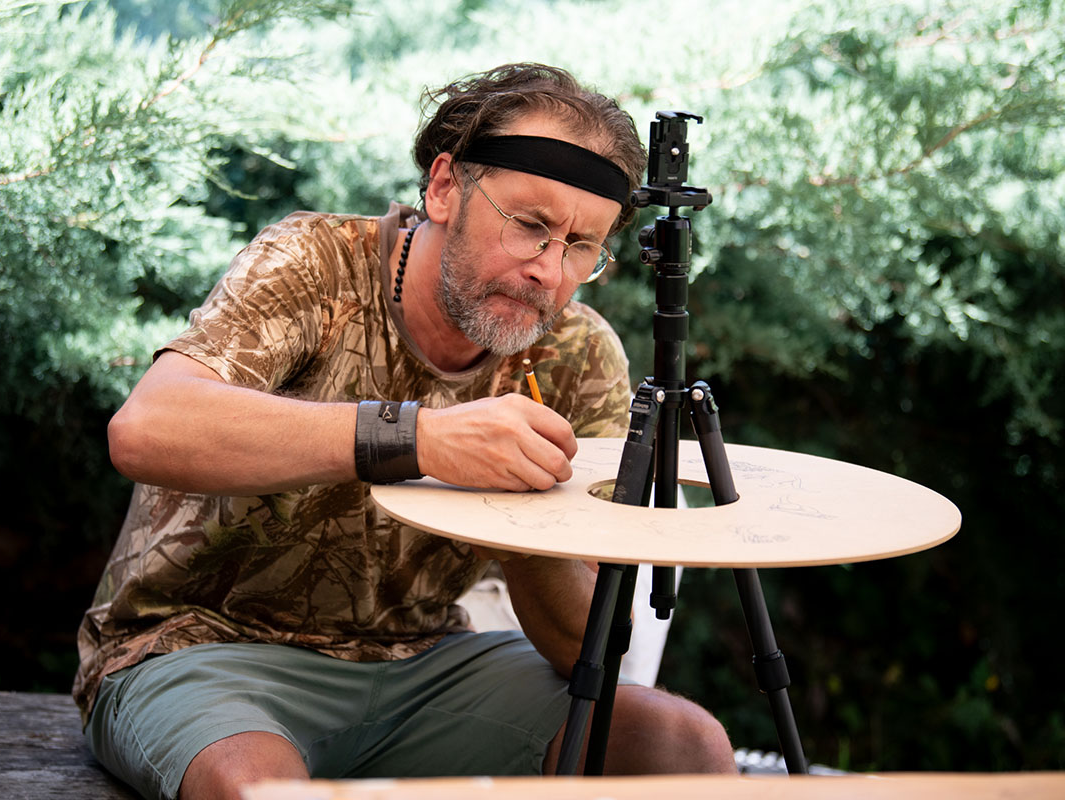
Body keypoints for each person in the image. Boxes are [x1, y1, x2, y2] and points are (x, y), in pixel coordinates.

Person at [74, 63, 735, 800]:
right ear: (444, 187)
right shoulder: (316, 264)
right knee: (259, 790)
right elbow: (147, 428)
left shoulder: (577, 354)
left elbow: (592, 649)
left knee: (681, 744)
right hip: (202, 647)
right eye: (530, 226)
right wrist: (420, 439)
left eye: (581, 245)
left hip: (426, 665)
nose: (549, 273)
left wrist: (529, 525)